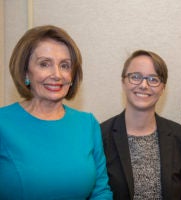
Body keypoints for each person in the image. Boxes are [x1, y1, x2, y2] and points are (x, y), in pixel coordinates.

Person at [0, 25, 112, 199]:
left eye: (65, 66)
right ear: (25, 72)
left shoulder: (87, 124)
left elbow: (100, 191)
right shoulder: (3, 123)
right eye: (45, 64)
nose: (57, 74)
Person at [101, 50, 181, 200]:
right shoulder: (100, 136)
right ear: (123, 82)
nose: (144, 85)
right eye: (135, 77)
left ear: (163, 87)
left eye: (153, 79)